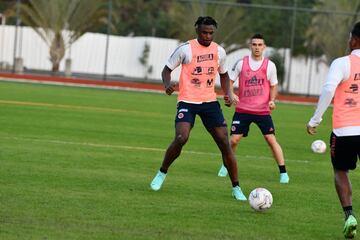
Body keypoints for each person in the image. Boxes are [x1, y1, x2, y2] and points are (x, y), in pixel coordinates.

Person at [150, 16, 247, 201]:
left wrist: (228, 93)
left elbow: (224, 75)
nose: (208, 36)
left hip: (209, 102)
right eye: (204, 32)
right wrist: (167, 85)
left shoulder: (219, 51)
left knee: (224, 143)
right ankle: (162, 173)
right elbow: (166, 70)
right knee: (181, 137)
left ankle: (236, 188)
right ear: (197, 30)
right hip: (187, 101)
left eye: (211, 33)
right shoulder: (185, 49)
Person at [307, 22, 360, 239]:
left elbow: (329, 88)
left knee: (341, 171)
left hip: (345, 130)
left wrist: (315, 119)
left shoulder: (343, 62)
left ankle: (349, 216)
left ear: (354, 39)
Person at [217, 33, 290, 184]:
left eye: (259, 45)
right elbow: (229, 81)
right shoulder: (241, 63)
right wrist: (231, 95)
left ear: (264, 47)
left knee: (271, 139)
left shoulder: (269, 65)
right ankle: (225, 166)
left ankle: (283, 172)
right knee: (234, 140)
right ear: (250, 46)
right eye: (254, 44)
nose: (257, 47)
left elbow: (274, 85)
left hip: (262, 111)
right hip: (242, 110)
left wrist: (272, 100)